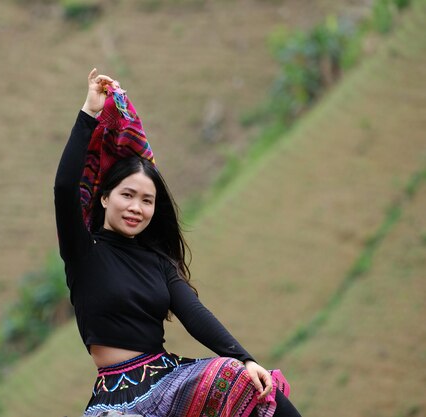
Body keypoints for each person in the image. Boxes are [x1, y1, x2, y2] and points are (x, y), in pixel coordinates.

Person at [54, 69, 302, 417]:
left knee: (256, 387)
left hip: (168, 383)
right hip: (115, 400)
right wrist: (89, 112)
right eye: (128, 195)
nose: (136, 208)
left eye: (147, 200)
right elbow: (65, 188)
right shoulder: (84, 251)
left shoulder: (156, 262)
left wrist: (246, 359)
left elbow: (195, 315)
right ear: (105, 199)